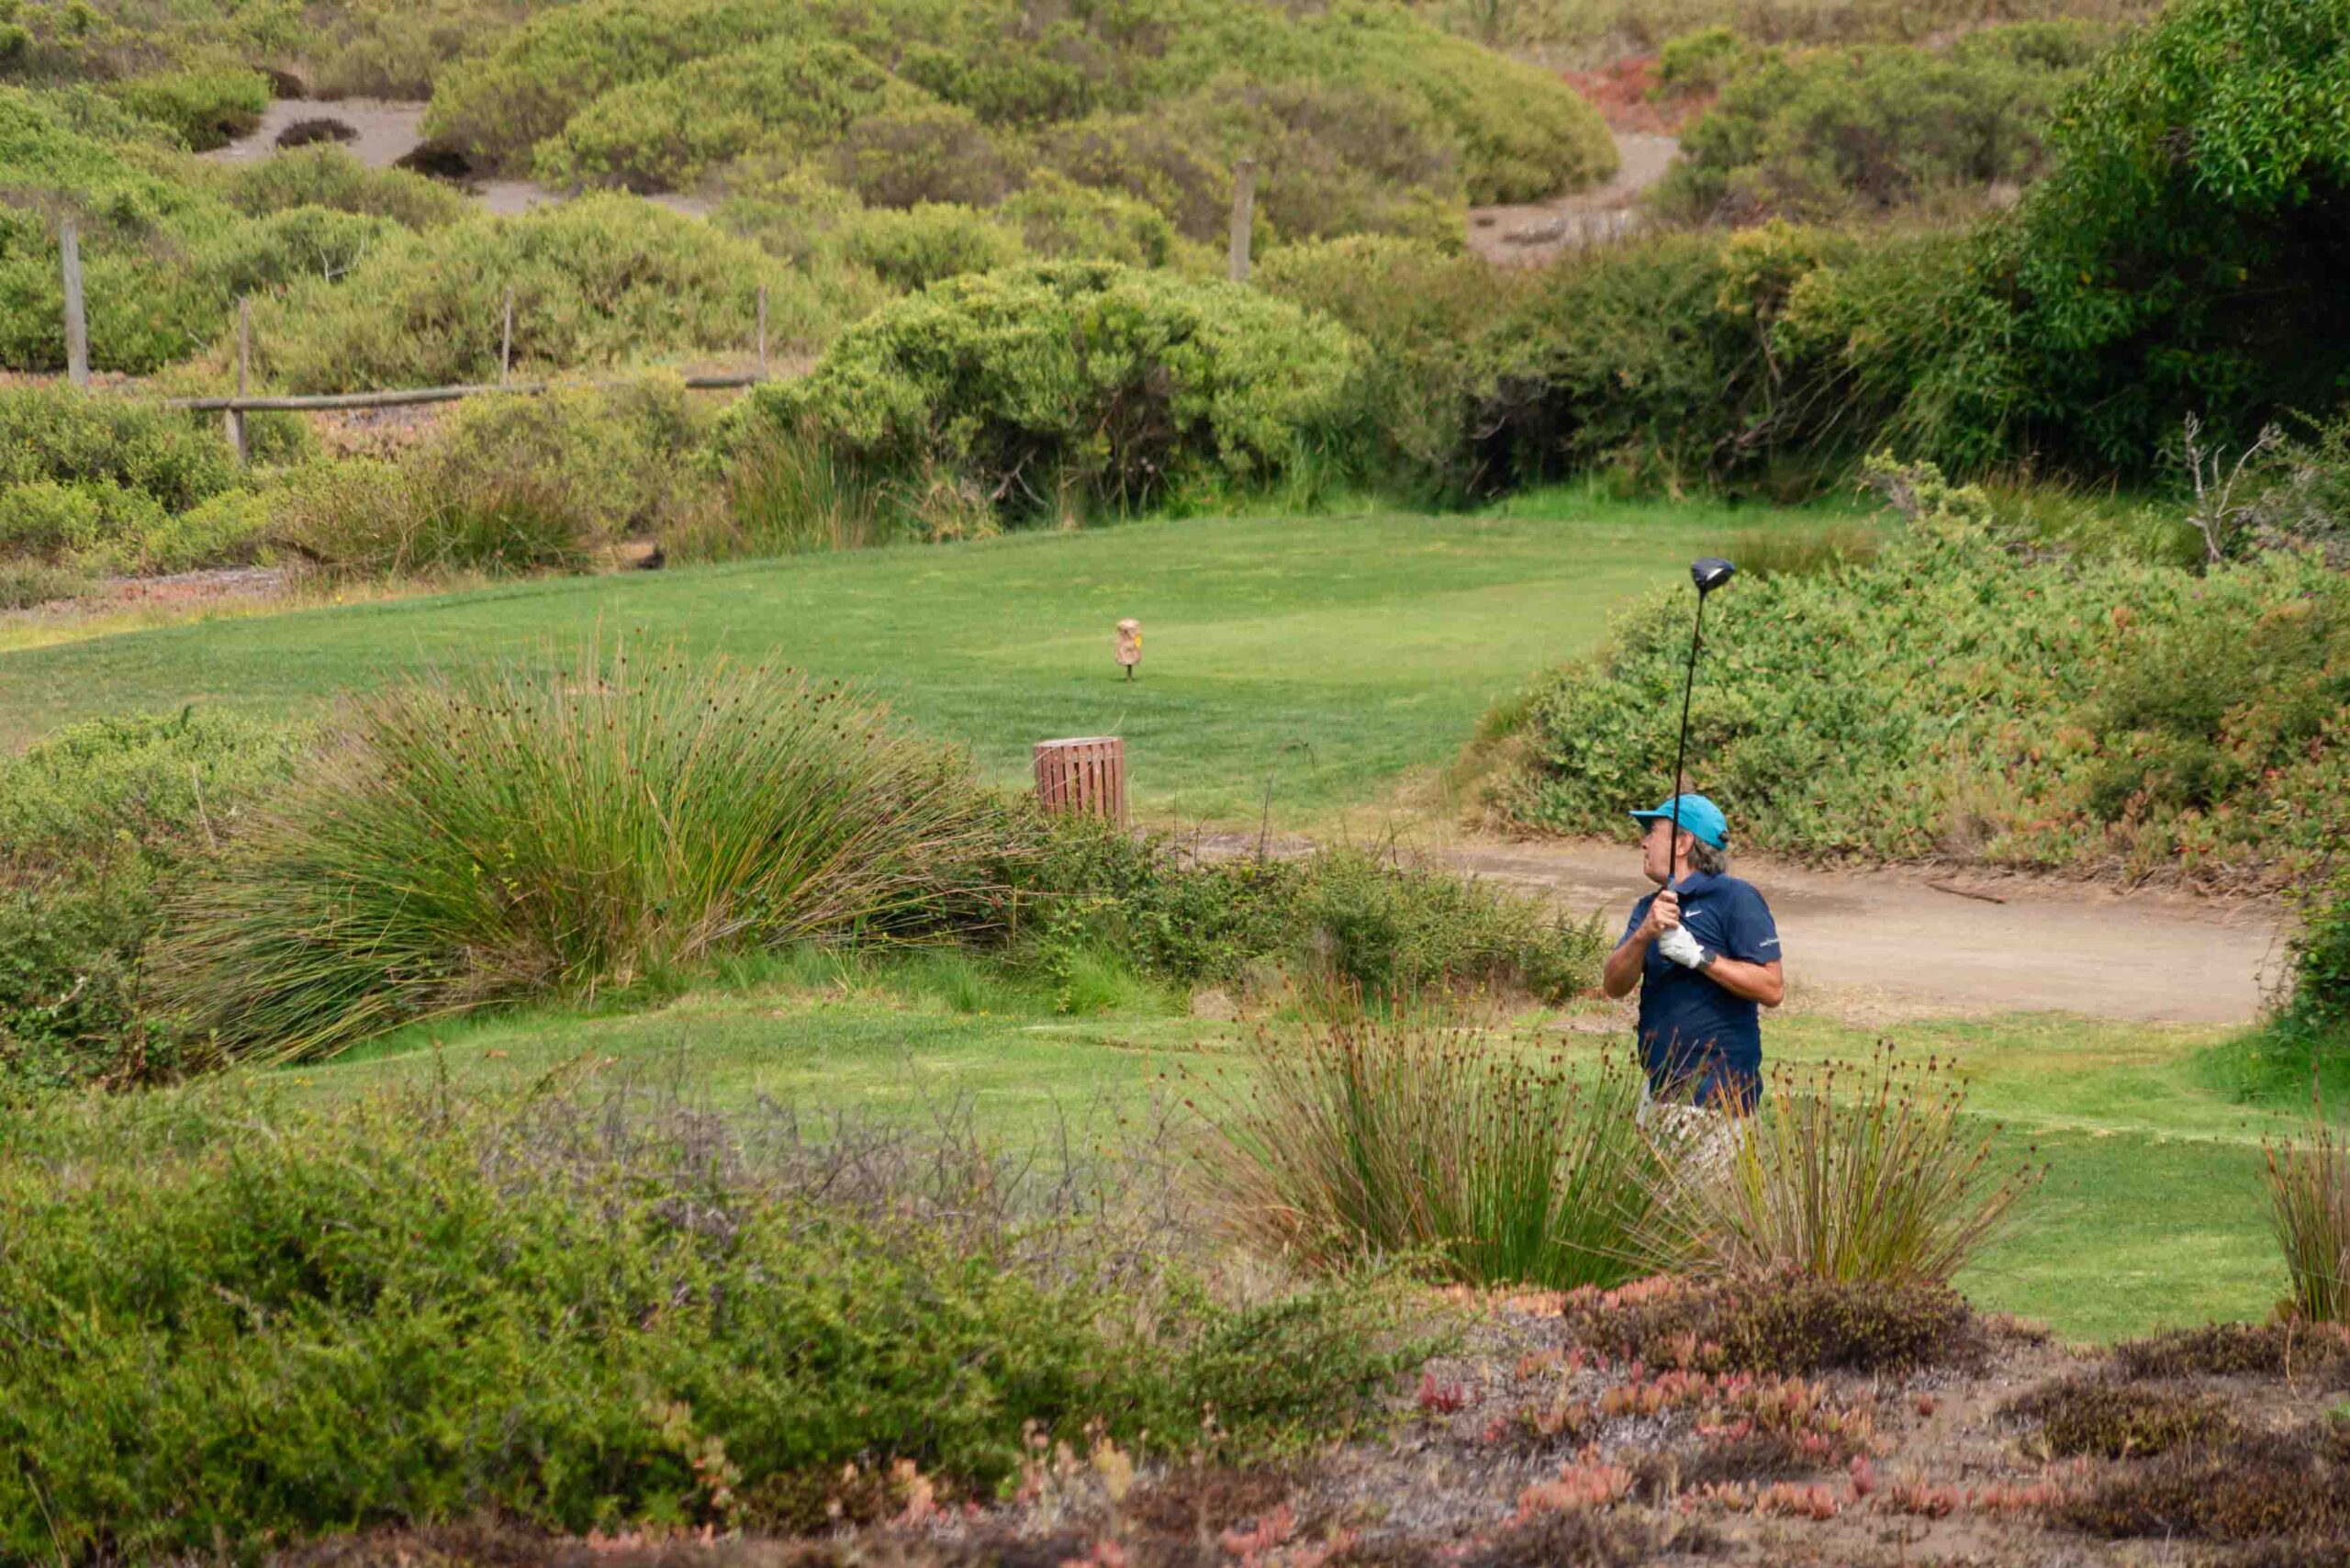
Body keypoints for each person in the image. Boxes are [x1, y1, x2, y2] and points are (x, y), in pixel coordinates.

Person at [1600, 792, 1784, 1114]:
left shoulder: (1735, 898)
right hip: (1658, 1091)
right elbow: (1614, 986)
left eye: (1653, 833)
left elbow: (1772, 988)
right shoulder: (1650, 907)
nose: (1644, 843)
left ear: (1683, 843)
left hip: (1719, 1099)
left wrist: (1700, 957)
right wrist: (1644, 934)